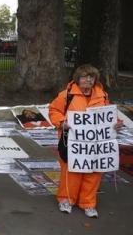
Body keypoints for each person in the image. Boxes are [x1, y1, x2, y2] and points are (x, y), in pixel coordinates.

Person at [49, 64, 123, 218]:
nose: (88, 80)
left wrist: (116, 123)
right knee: (71, 172)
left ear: (95, 80)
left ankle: (88, 203)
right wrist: (62, 122)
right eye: (84, 77)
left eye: (91, 77)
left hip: (96, 143)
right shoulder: (67, 94)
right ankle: (66, 200)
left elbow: (107, 115)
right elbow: (54, 111)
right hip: (72, 141)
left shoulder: (102, 95)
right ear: (78, 79)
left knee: (94, 172)